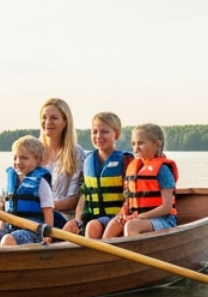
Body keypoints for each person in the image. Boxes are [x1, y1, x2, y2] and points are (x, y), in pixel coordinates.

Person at [63, 111, 133, 239]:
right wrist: (77, 219)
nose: (98, 136)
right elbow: (84, 195)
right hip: (92, 218)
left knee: (93, 226)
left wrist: (119, 219)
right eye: (94, 132)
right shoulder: (88, 160)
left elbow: (131, 198)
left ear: (116, 134)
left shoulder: (126, 161)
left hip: (118, 218)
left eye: (104, 131)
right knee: (68, 228)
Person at [103, 123, 178, 238]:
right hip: (137, 217)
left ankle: (131, 254)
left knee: (131, 226)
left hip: (164, 220)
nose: (136, 147)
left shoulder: (163, 170)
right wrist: (123, 215)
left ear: (157, 144)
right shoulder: (134, 168)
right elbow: (129, 200)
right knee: (113, 225)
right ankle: (106, 256)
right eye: (133, 144)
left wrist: (140, 217)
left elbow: (166, 207)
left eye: (141, 143)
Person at [0, 136, 54, 246]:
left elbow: (48, 212)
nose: (18, 162)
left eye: (24, 158)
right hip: (10, 229)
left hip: (32, 232)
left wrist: (48, 235)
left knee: (7, 240)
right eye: (15, 158)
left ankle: (6, 263)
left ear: (37, 160)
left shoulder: (41, 183)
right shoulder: (9, 183)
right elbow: (2, 211)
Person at [38, 98, 89, 228]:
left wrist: (45, 206)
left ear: (65, 121)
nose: (48, 122)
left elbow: (74, 199)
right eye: (44, 118)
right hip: (35, 214)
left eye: (54, 118)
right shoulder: (35, 152)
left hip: (63, 217)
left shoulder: (75, 153)